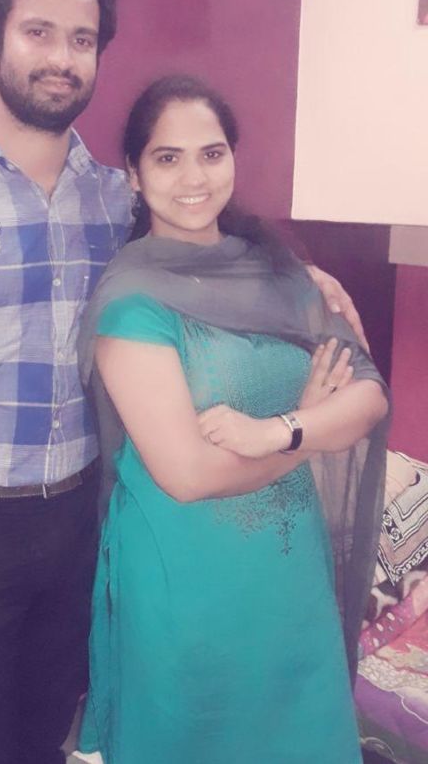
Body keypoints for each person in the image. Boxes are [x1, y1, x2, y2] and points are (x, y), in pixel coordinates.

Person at [0, 0, 366, 764]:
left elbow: (207, 243)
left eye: (81, 39)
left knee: (51, 736)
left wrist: (304, 275)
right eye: (37, 33)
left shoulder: (118, 200)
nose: (61, 58)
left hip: (82, 518)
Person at [75, 75, 389, 764]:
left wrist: (280, 429)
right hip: (185, 589)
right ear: (134, 174)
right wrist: (314, 428)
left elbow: (368, 394)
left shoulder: (280, 273)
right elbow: (188, 475)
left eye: (211, 154)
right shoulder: (132, 302)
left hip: (290, 583)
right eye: (168, 158)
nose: (194, 178)